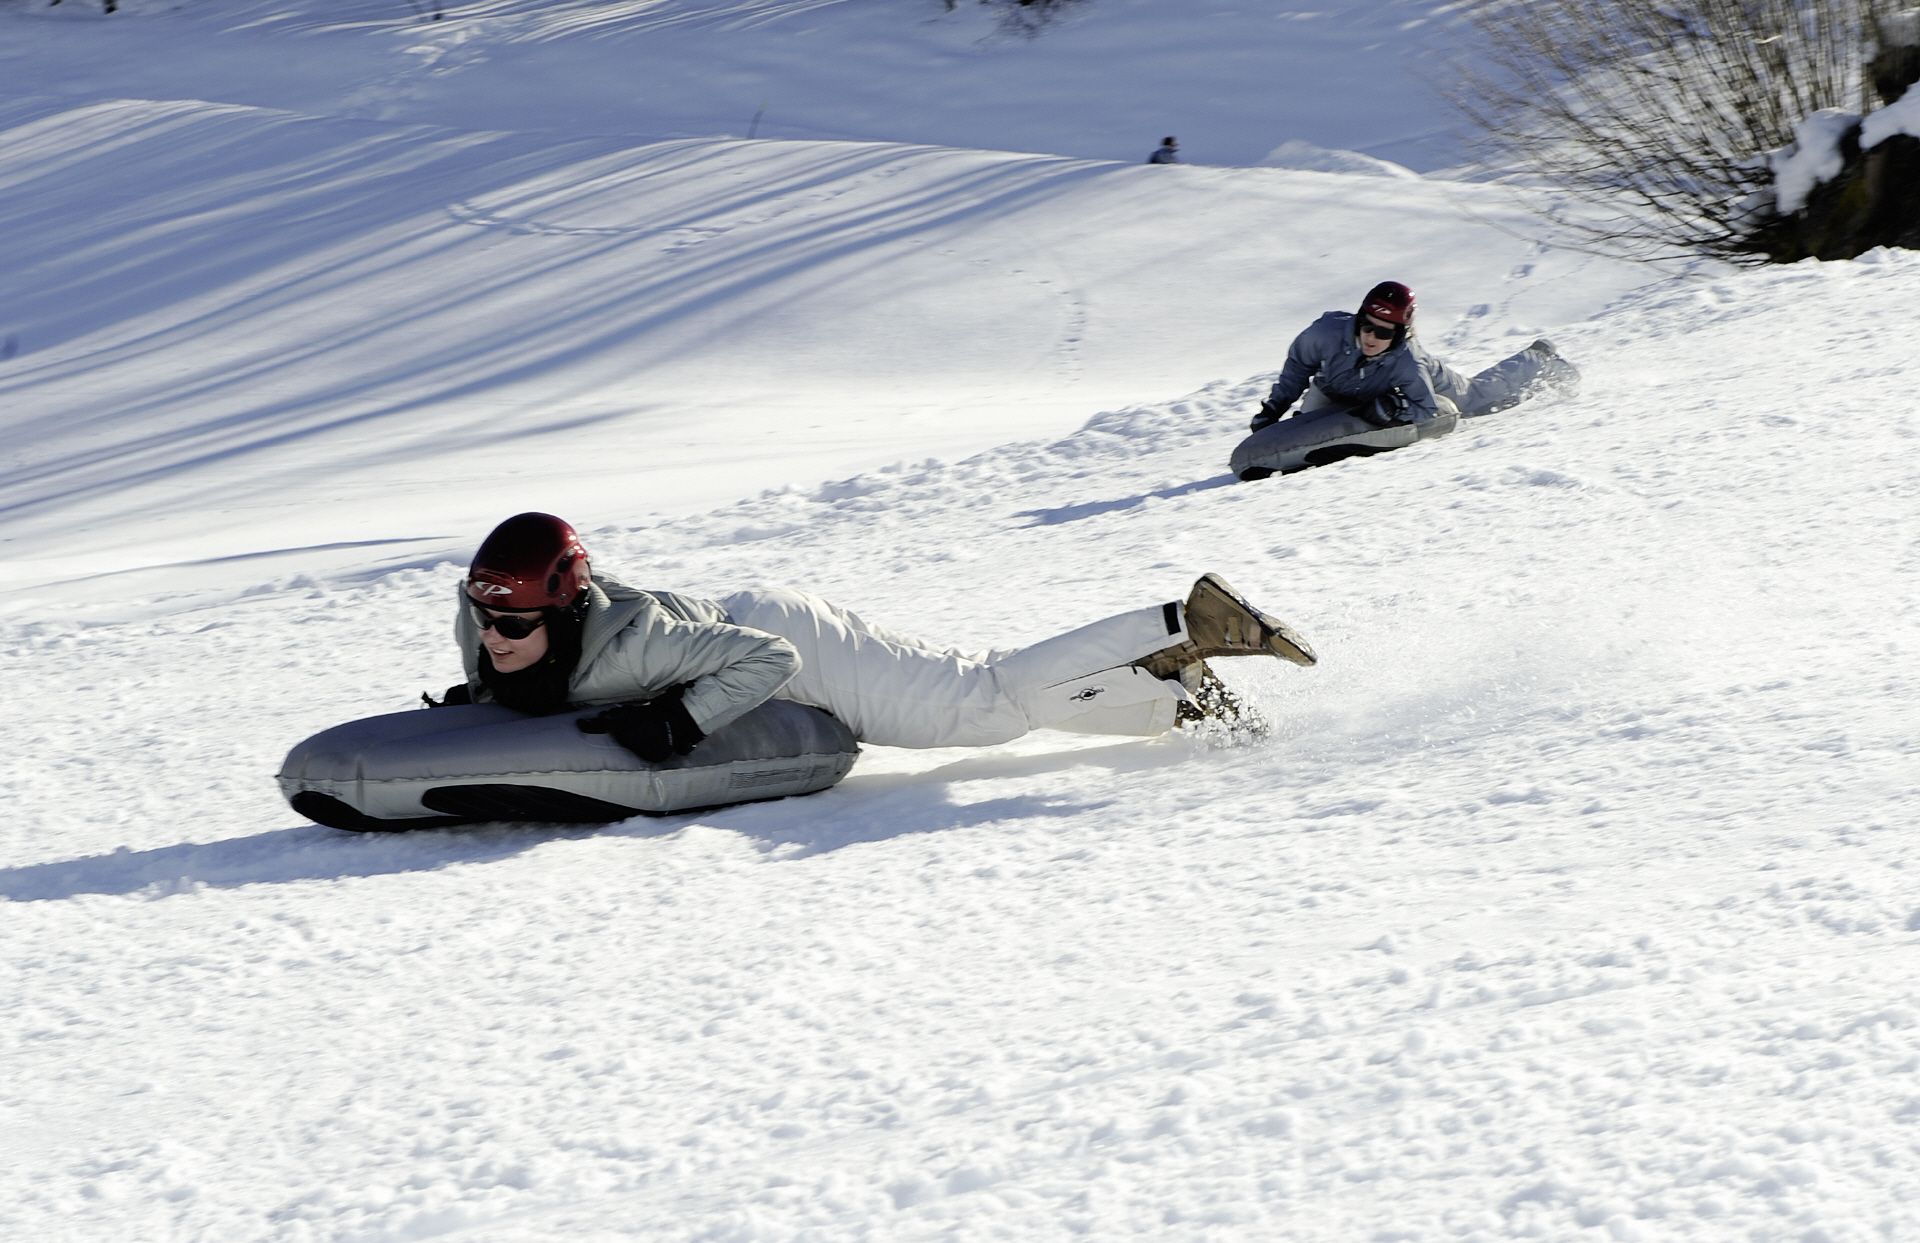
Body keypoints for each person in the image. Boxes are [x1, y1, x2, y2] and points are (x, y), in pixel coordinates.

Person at [435, 513, 1317, 761]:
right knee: (984, 692)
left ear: (562, 609)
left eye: (515, 623)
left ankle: (1184, 627)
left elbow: (769, 661)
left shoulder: (632, 648)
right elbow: (494, 647)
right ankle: (1172, 697)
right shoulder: (482, 623)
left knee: (988, 704)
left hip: (789, 642)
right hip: (744, 620)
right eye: (487, 618)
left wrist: (682, 724)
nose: (495, 635)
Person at [1248, 280, 1581, 434]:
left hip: (1405, 388)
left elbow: (1426, 410)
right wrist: (1273, 410)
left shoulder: (1409, 360)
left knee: (1478, 398)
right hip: (1340, 387)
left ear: (1401, 333)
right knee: (1310, 424)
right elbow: (1296, 369)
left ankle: (1538, 358)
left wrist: (1394, 408)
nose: (1371, 337)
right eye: (1366, 326)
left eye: (1383, 332)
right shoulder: (1325, 334)